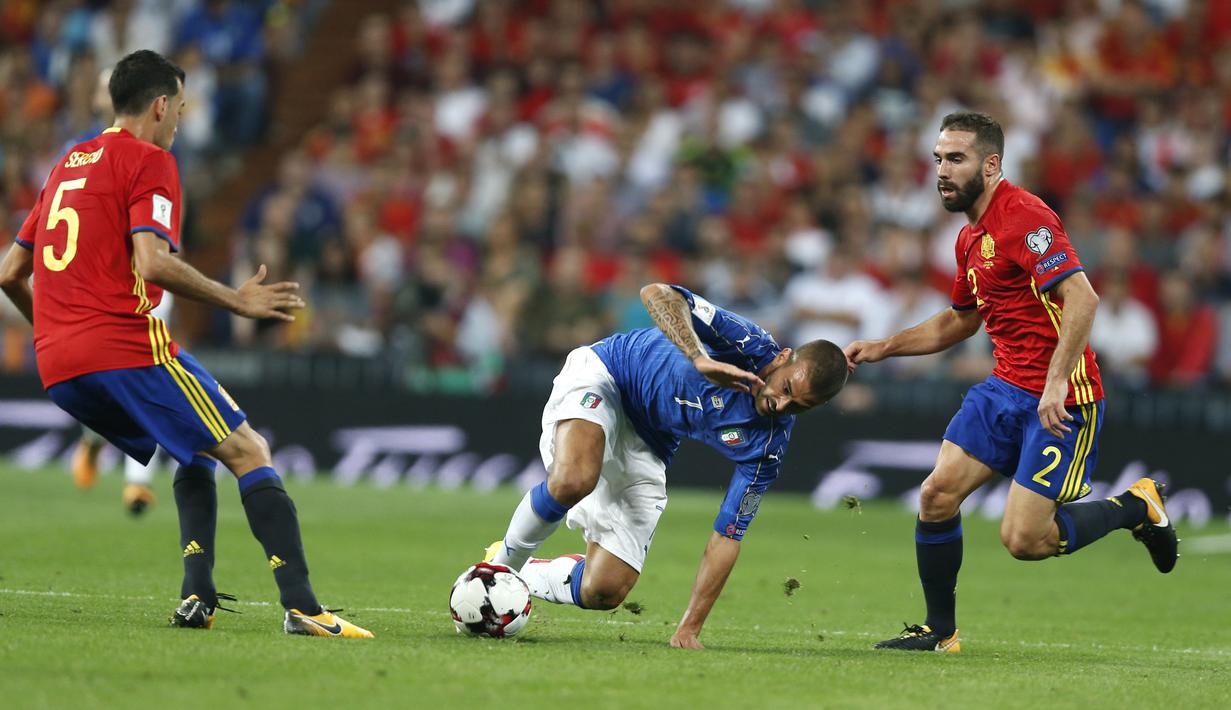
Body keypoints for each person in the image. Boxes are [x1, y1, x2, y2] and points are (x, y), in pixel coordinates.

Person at [0, 50, 371, 638]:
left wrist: (53, 329)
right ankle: (303, 606)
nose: (179, 119)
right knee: (249, 449)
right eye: (179, 106)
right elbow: (153, 263)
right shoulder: (148, 160)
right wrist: (237, 300)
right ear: (160, 105)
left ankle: (197, 596)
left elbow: (9, 271)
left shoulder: (68, 162)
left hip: (57, 365)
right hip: (123, 346)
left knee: (193, 447)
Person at [845, 112, 1178, 653]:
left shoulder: (1025, 216)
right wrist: (885, 346)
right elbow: (960, 320)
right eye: (937, 160)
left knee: (1026, 541)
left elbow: (1083, 297)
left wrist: (1054, 383)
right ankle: (940, 631)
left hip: (1063, 397)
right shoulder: (968, 239)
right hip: (1003, 389)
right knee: (936, 495)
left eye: (956, 159)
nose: (942, 172)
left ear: (992, 164)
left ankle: (1137, 508)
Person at [483, 282, 848, 649]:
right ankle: (497, 571)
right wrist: (698, 357)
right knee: (574, 479)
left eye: (799, 406)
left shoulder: (767, 445)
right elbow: (656, 293)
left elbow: (727, 536)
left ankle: (520, 574)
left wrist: (690, 627)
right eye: (785, 389)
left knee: (604, 590)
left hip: (651, 438)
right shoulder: (746, 343)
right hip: (609, 374)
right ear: (784, 358)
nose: (781, 406)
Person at [64, 65, 166, 516]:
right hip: (107, 279)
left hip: (153, 266)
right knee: (128, 380)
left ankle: (136, 482)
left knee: (155, 371)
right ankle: (93, 440)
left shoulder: (156, 147)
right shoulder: (83, 151)